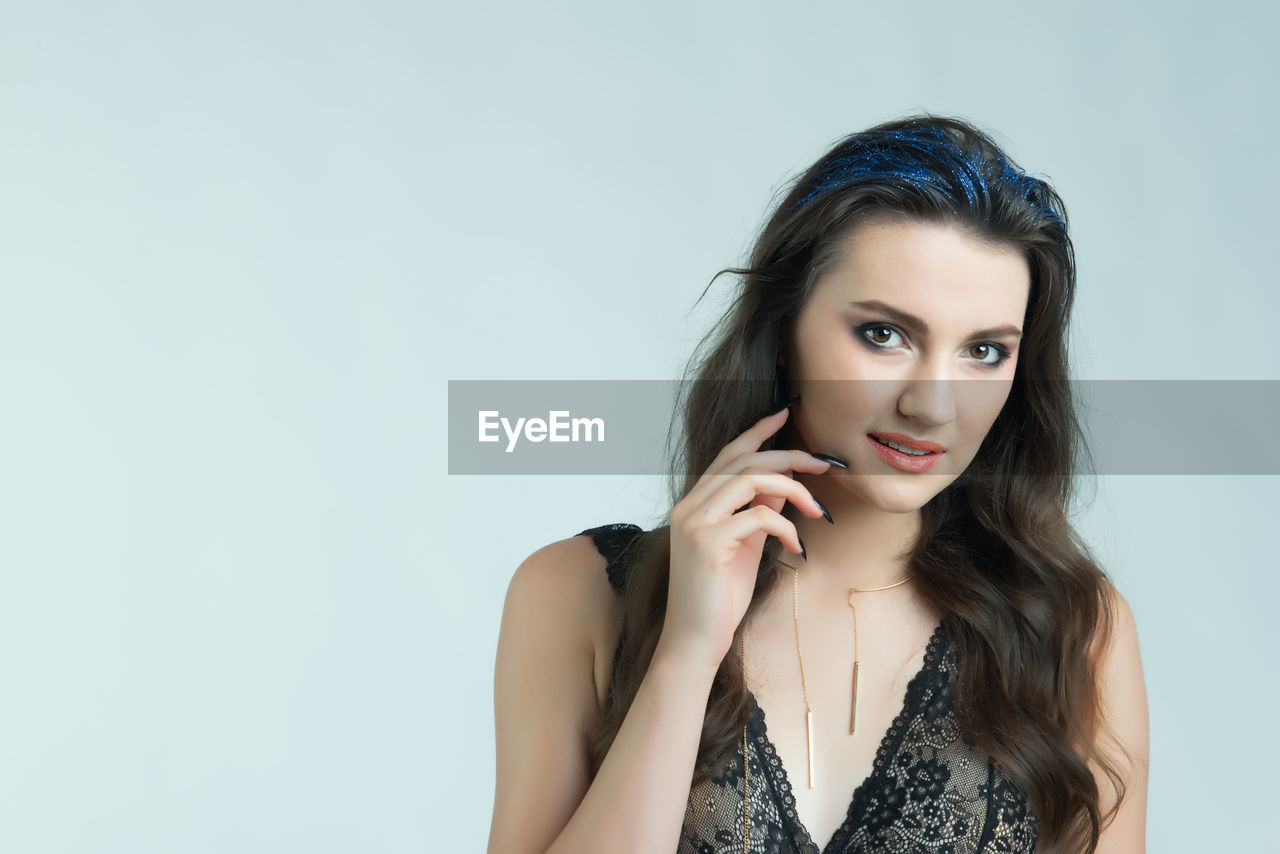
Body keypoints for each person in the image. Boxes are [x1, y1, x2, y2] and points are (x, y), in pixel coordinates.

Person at [487, 114, 1149, 854]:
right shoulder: (575, 594)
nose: (932, 406)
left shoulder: (1074, 629)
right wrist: (688, 651)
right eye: (883, 335)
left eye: (984, 351)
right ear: (783, 327)